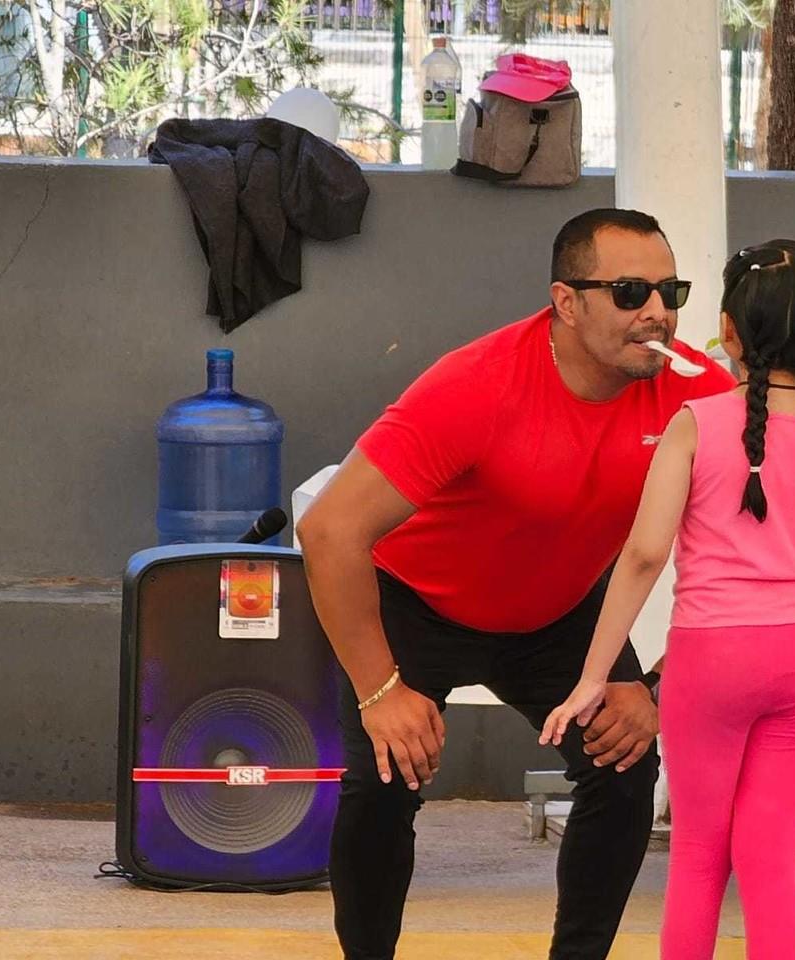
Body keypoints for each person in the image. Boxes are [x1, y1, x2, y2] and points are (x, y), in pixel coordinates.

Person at [296, 207, 736, 960]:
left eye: (672, 290)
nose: (658, 312)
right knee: (382, 782)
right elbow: (330, 531)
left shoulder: (699, 395)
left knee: (624, 768)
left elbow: (756, 551)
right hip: (418, 602)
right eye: (631, 292)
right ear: (567, 302)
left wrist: (653, 683)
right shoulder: (479, 385)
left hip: (561, 610)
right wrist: (380, 693)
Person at [541, 239, 795, 959]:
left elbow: (645, 555)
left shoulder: (693, 426)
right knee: (771, 858)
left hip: (708, 661)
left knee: (698, 857)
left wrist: (595, 676)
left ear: (729, 331)